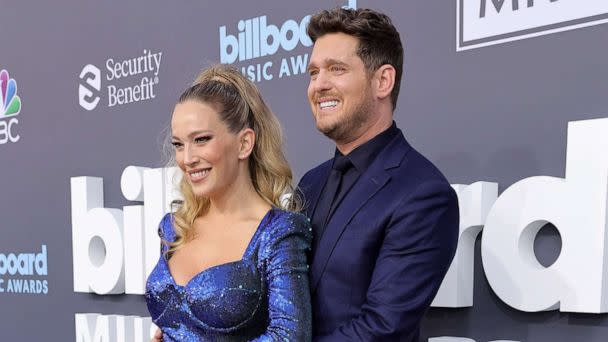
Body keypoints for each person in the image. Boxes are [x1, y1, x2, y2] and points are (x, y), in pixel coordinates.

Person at [298, 7, 460, 341]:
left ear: (383, 80)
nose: (319, 85)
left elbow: (383, 329)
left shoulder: (423, 194)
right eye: (313, 73)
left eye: (336, 69)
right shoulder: (309, 184)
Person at [145, 64, 312, 341]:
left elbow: (289, 337)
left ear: (244, 144)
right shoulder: (174, 228)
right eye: (178, 144)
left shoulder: (278, 234)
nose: (187, 158)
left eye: (201, 140)